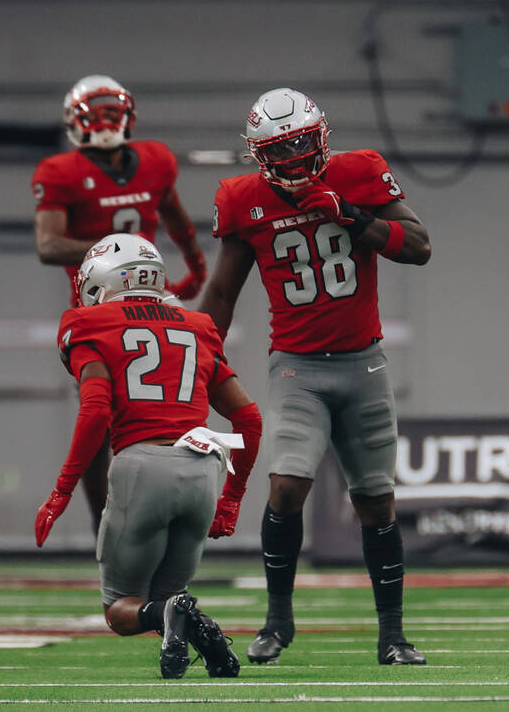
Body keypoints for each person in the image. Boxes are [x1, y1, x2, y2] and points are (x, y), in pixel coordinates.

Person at [197, 88, 432, 666]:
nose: (298, 155)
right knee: (286, 486)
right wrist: (198, 359)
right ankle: (277, 623)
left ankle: (393, 636)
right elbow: (223, 291)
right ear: (259, 155)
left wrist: (351, 215)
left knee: (376, 502)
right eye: (284, 148)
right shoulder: (243, 199)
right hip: (297, 367)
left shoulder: (360, 172)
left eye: (304, 141)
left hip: (365, 364)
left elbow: (419, 247)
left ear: (321, 135)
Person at [33, 233, 261, 680]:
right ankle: (212, 649)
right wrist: (231, 499)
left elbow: (96, 410)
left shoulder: (88, 322)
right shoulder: (197, 325)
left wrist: (60, 493)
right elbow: (249, 418)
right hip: (202, 470)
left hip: (142, 467)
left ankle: (176, 618)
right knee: (170, 595)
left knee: (120, 610)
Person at [32, 75, 208, 533]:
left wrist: (195, 265)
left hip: (153, 304)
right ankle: (105, 526)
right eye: (98, 111)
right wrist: (113, 251)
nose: (107, 120)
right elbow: (49, 246)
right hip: (97, 311)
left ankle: (164, 523)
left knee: (167, 411)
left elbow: (174, 213)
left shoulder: (155, 161)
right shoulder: (61, 171)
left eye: (114, 110)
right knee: (101, 419)